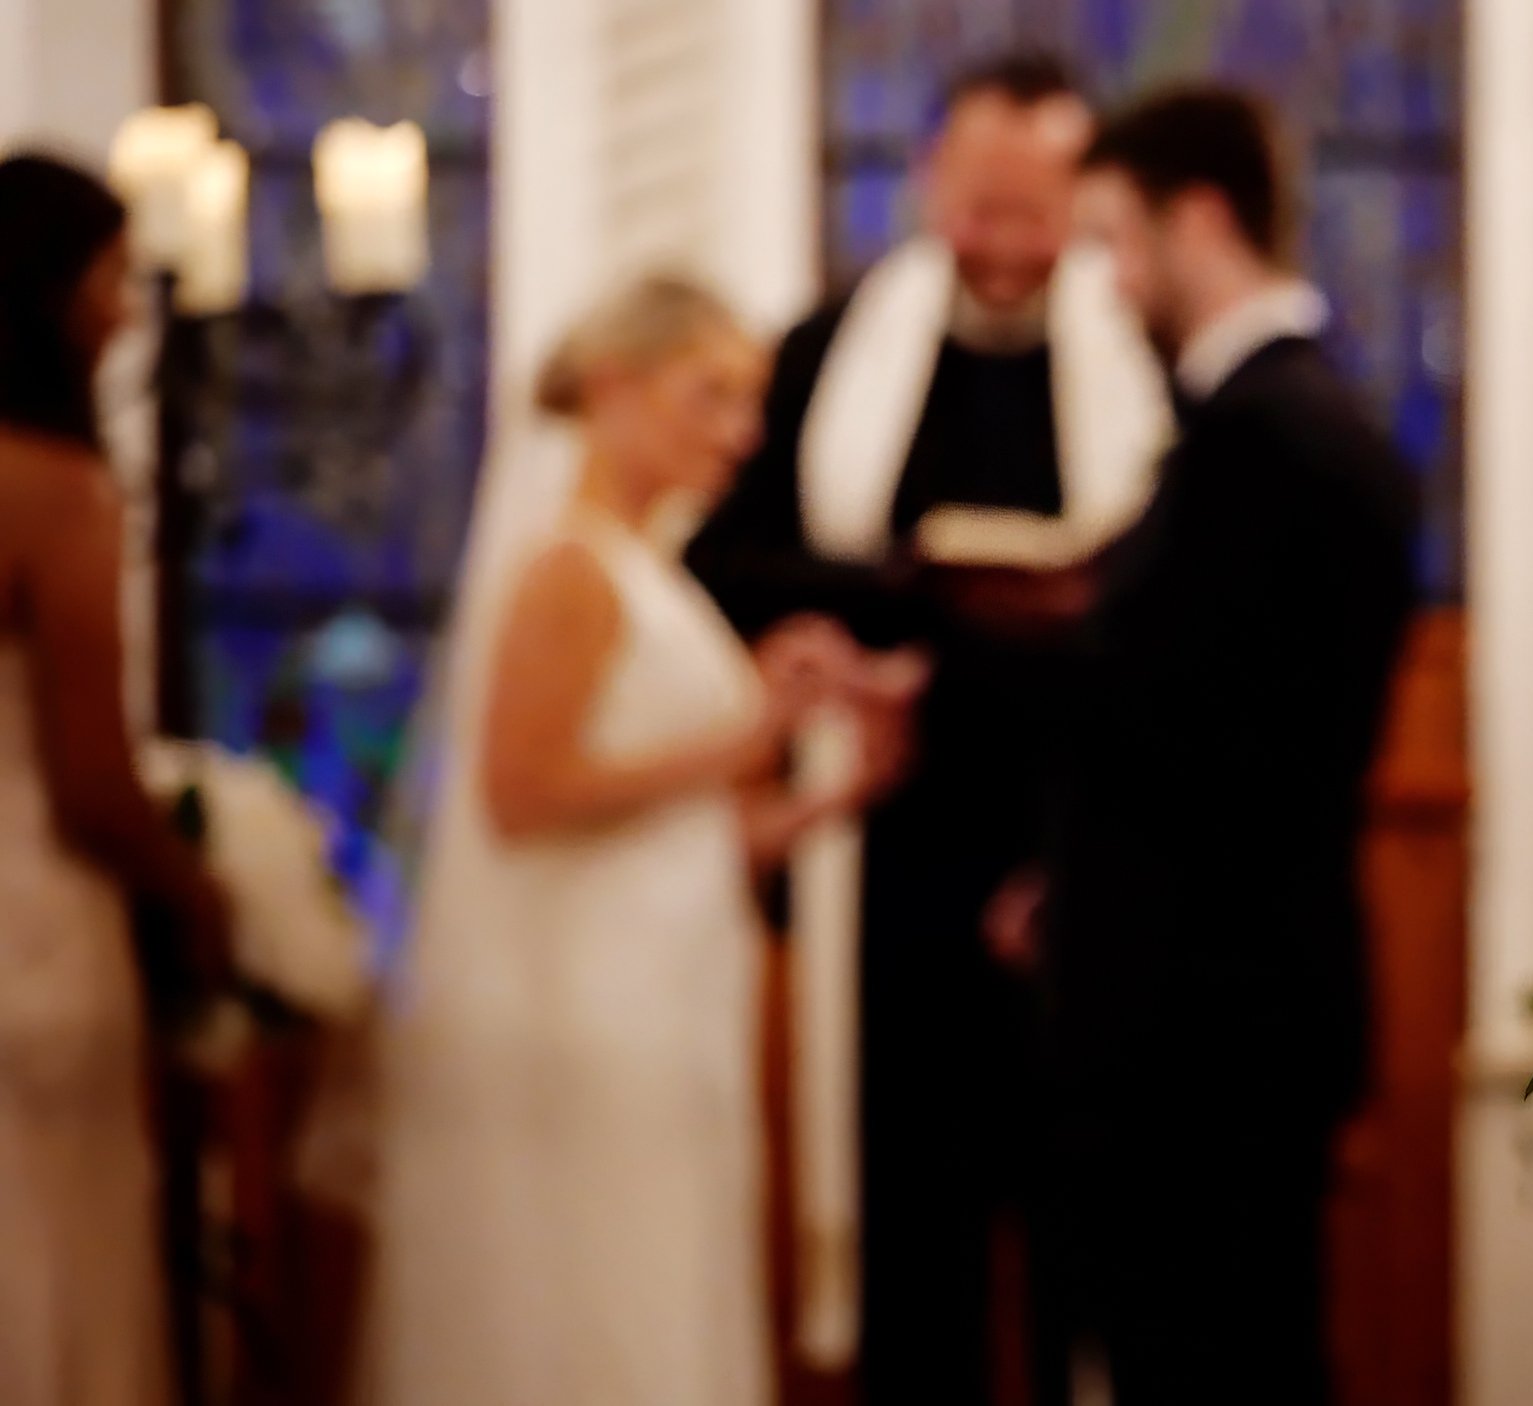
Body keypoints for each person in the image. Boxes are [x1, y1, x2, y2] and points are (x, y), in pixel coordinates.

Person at [685, 50, 1169, 1404]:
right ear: (927, 188)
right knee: (917, 1231)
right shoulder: (833, 345)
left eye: (1035, 213)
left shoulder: (1145, 351)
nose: (1005, 247)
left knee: (1090, 1225)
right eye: (978, 208)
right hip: (890, 850)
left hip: (1080, 842)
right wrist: (892, 591)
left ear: (1084, 204)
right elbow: (727, 556)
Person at [359, 274, 922, 1406]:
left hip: (666, 990)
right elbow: (520, 794)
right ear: (615, 388)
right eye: (708, 395)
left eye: (749, 402)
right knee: (602, 1300)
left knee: (671, 1282)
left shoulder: (645, 568)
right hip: (587, 1009)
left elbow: (678, 834)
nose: (742, 433)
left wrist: (826, 795)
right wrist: (751, 729)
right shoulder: (568, 566)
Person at [1034, 86, 1419, 1405]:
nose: (1101, 282)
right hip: (1223, 1010)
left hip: (1203, 1031)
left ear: (1195, 220)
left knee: (1214, 1366)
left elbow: (1193, 734)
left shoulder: (1270, 437)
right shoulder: (1280, 424)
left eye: (1110, 240)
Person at [0, 151, 234, 1406]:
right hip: (31, 917)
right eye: (108, 279)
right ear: (42, 293)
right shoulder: (55, 491)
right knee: (55, 1252)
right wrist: (194, 888)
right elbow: (89, 776)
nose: (130, 314)